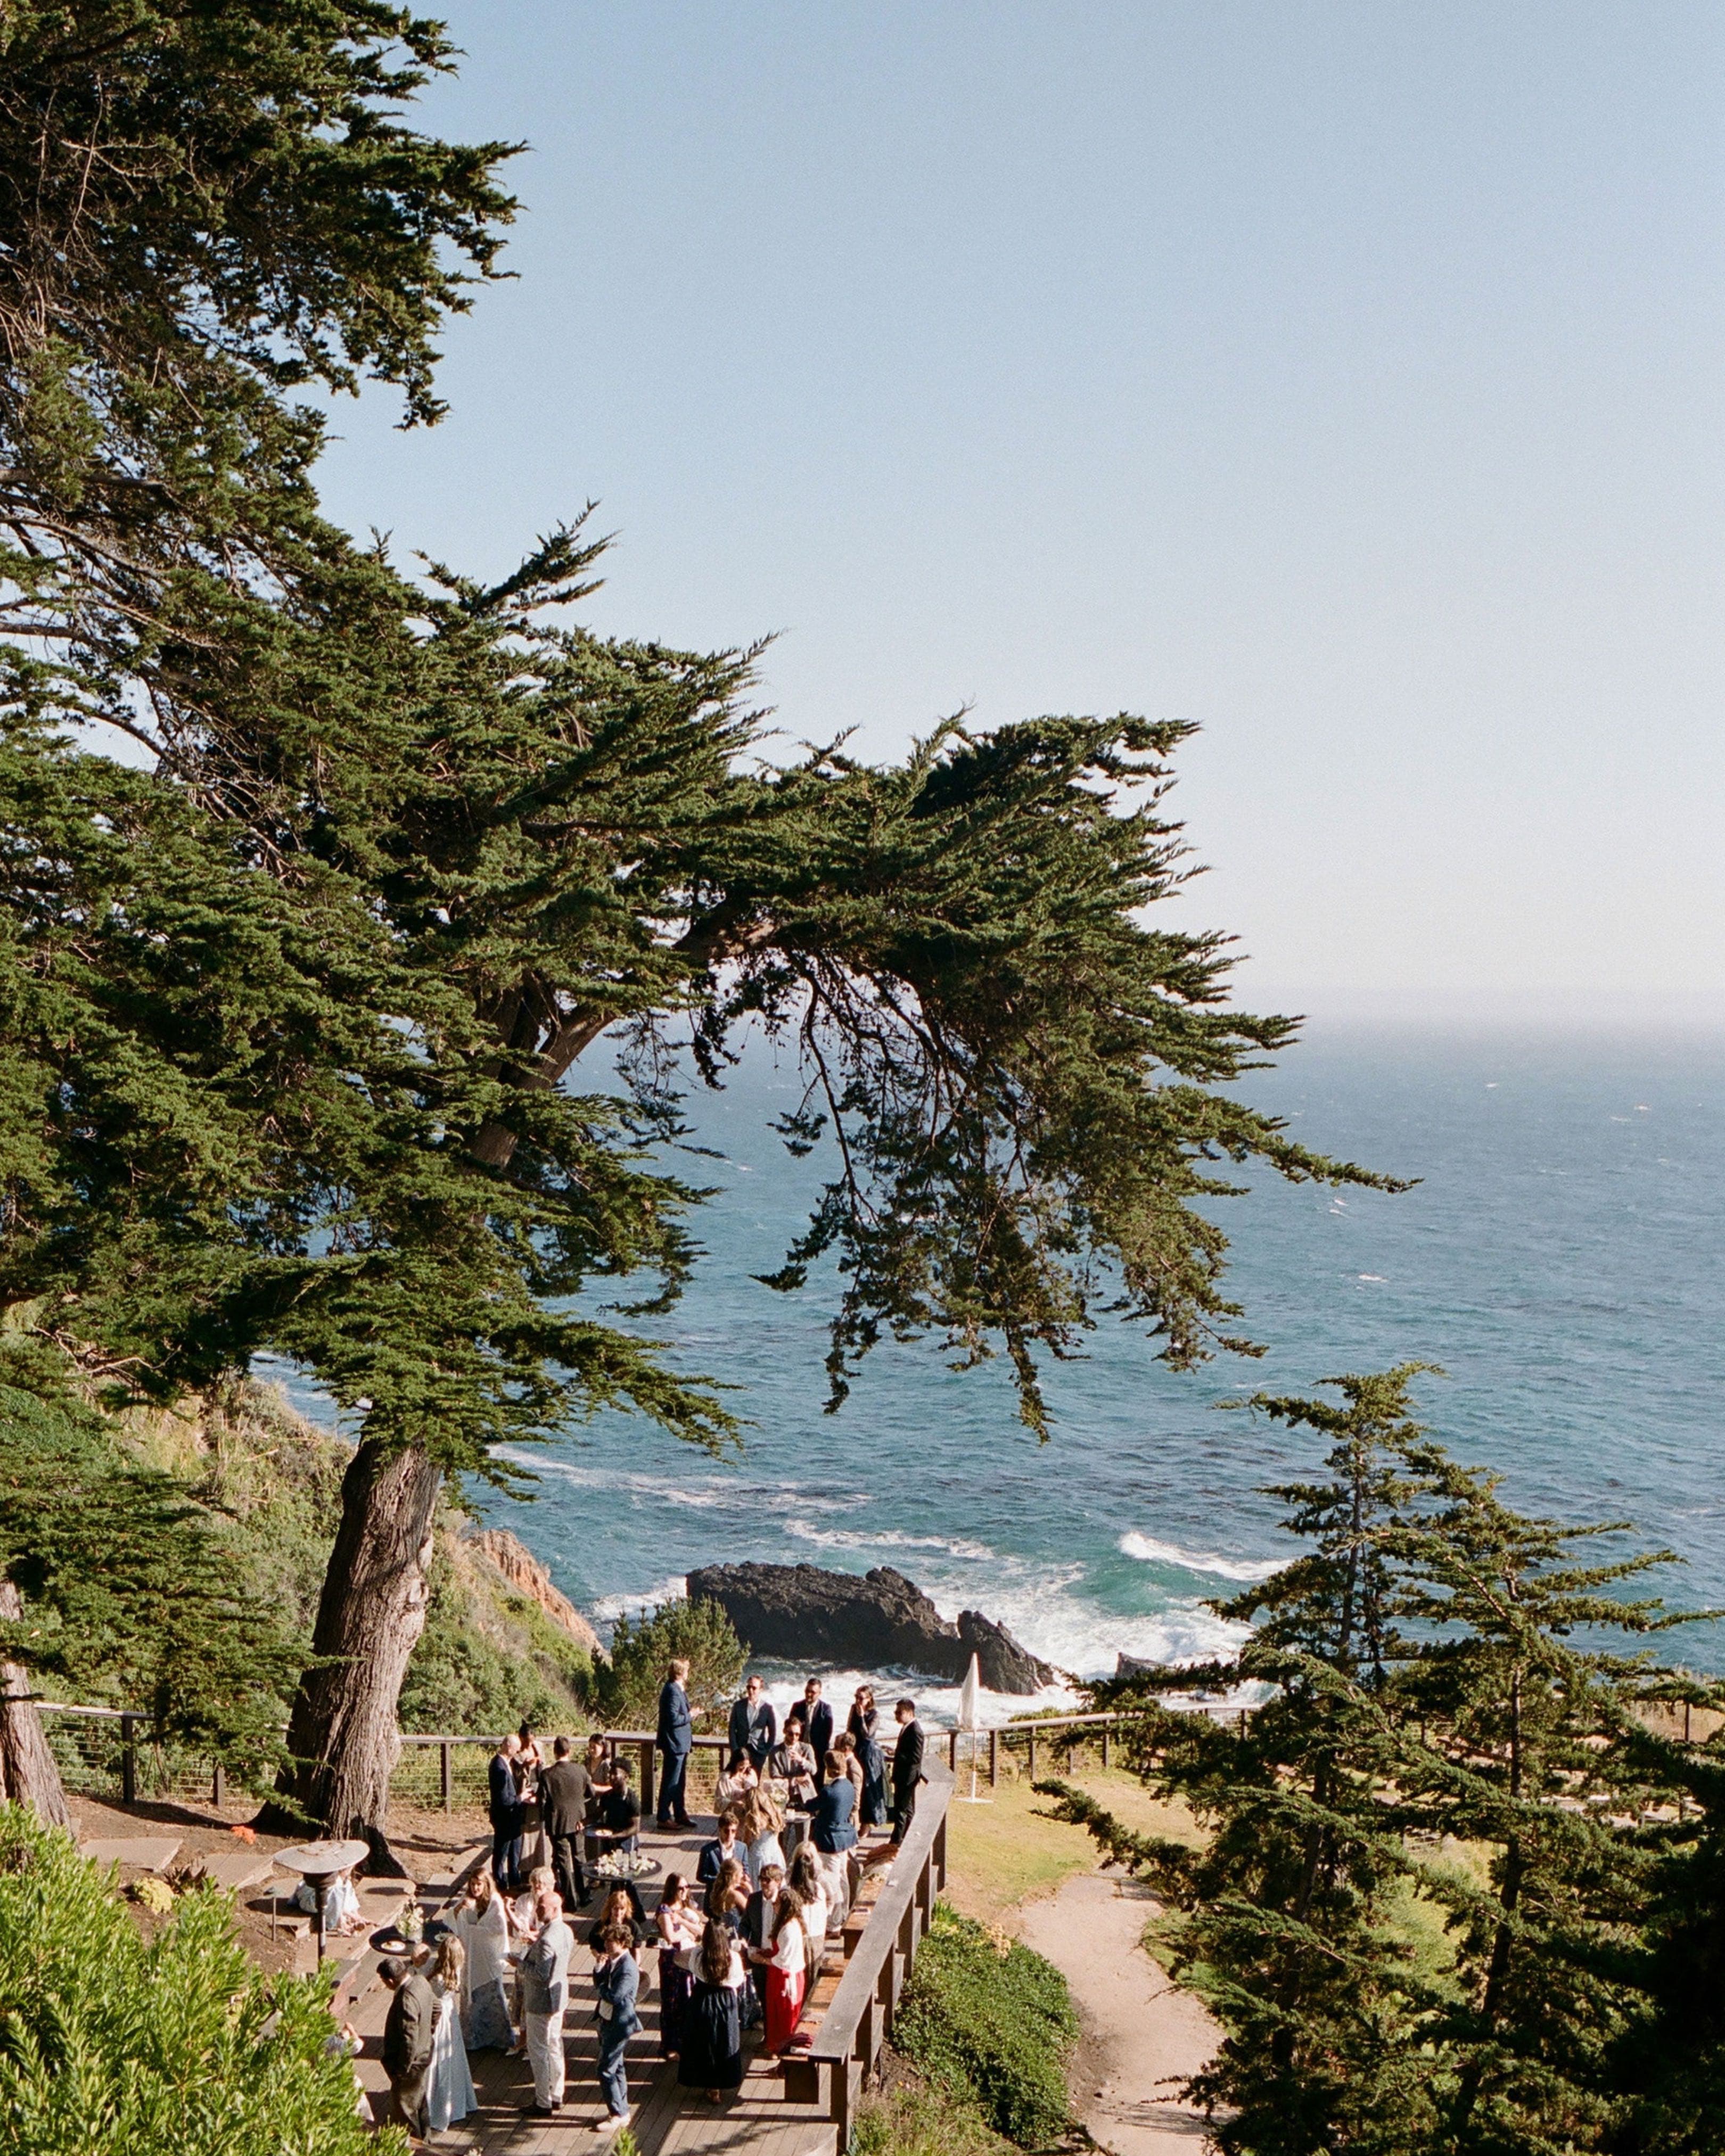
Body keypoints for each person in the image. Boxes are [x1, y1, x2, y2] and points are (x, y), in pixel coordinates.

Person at [513, 1884, 573, 2118]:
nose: (537, 1910)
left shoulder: (548, 1940)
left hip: (542, 2001)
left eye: (542, 1906)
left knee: (539, 2051)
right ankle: (557, 2094)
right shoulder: (565, 1931)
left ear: (556, 1908)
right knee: (555, 2046)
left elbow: (540, 1974)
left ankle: (543, 2101)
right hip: (559, 1998)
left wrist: (519, 1963)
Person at [678, 1916, 746, 2103]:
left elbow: (693, 1969)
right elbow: (739, 1980)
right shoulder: (732, 1957)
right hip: (725, 2000)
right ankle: (718, 2085)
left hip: (702, 1997)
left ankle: (707, 2082)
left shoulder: (699, 1954)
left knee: (703, 2042)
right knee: (724, 2042)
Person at [450, 1868, 513, 2051]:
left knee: (491, 1996)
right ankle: (473, 2039)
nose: (475, 1888)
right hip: (470, 1954)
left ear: (486, 1884)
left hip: (487, 1956)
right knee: (471, 1998)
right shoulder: (466, 1900)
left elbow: (498, 1928)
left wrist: (472, 1930)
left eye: (479, 1884)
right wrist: (458, 1910)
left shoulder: (495, 1902)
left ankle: (498, 2039)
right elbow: (455, 1923)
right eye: (473, 1884)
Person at [379, 1954, 437, 2139]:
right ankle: (426, 2142)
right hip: (424, 2056)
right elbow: (437, 2008)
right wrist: (428, 2032)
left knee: (405, 2113)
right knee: (420, 2105)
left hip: (410, 2066)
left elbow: (409, 2038)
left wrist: (401, 2069)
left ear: (390, 1980)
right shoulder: (421, 1982)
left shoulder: (406, 1999)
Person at [425, 1932, 478, 2132]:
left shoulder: (436, 1975)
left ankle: (436, 2105)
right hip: (450, 2016)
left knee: (437, 2060)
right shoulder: (456, 1970)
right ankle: (457, 2101)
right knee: (452, 2058)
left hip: (438, 2017)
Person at [593, 1921, 643, 2132]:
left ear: (623, 1943)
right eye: (605, 1940)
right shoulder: (613, 1961)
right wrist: (599, 1969)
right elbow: (601, 1980)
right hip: (607, 2020)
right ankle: (622, 2108)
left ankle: (617, 2113)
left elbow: (615, 1996)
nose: (606, 1944)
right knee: (617, 2066)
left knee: (605, 2069)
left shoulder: (628, 1968)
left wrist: (602, 1987)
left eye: (610, 1941)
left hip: (619, 2023)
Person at [539, 1734, 593, 1912]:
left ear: (555, 1752)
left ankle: (570, 1900)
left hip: (557, 1822)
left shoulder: (547, 1774)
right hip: (578, 1819)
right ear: (569, 1751)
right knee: (580, 1857)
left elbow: (542, 1799)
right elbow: (591, 1792)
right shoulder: (581, 1770)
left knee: (563, 1861)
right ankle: (584, 1894)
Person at [655, 1872, 701, 2056]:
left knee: (687, 1999)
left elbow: (701, 1931)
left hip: (689, 1957)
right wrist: (687, 1933)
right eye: (680, 1888)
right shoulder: (664, 1910)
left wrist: (684, 1923)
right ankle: (669, 2044)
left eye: (686, 1887)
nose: (684, 1891)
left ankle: (685, 2040)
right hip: (671, 1960)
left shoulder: (688, 1907)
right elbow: (670, 1936)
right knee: (671, 2002)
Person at [810, 1752, 858, 1927]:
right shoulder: (849, 1786)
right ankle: (845, 1913)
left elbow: (812, 1805)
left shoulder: (829, 1791)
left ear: (831, 1769)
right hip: (844, 1838)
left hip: (830, 1841)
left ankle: (834, 1923)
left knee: (832, 1882)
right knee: (843, 1877)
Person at [764, 1886, 809, 2058]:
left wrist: (763, 1960)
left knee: (786, 2017)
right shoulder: (787, 1923)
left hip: (786, 1977)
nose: (774, 1906)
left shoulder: (789, 1929)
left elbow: (783, 1958)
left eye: (777, 1904)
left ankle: (785, 2058)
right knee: (776, 2014)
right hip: (779, 1974)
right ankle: (777, 2049)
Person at [741, 1861, 783, 2026]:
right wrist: (743, 1939)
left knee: (778, 1997)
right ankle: (768, 2029)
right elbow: (745, 1924)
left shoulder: (784, 1900)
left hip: (778, 1956)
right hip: (759, 1955)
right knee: (763, 1995)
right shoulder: (754, 1899)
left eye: (768, 1880)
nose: (764, 1883)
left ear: (778, 1881)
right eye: (762, 1879)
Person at [656, 1656, 695, 1829]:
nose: (688, 1673)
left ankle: (680, 1813)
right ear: (681, 1673)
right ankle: (664, 1817)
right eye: (687, 1670)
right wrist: (691, 1715)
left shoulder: (676, 1688)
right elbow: (673, 1718)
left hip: (680, 1744)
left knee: (679, 1782)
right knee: (671, 1782)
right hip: (675, 1744)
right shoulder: (672, 1690)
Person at [488, 1731, 524, 1891]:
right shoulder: (498, 1766)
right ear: (509, 1746)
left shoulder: (506, 1763)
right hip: (504, 1817)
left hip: (512, 1817)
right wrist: (521, 1798)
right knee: (501, 1853)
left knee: (514, 1853)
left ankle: (514, 1882)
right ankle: (500, 1883)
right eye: (516, 1749)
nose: (517, 1752)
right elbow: (504, 1799)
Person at [850, 1685, 889, 1828]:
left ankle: (867, 1825)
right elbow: (850, 1729)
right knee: (854, 1785)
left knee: (868, 1788)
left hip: (868, 1754)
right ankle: (855, 1821)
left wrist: (861, 1718)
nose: (858, 1701)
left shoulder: (875, 1715)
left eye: (861, 1698)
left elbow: (867, 1734)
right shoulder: (853, 1709)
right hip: (855, 1750)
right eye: (856, 1697)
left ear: (869, 1699)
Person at [891, 1698, 926, 1845]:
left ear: (910, 1713)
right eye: (896, 1712)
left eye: (900, 1712)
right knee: (908, 1809)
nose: (896, 1715)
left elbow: (916, 1757)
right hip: (903, 1776)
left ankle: (896, 1842)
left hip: (908, 1777)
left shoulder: (916, 1731)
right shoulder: (908, 1727)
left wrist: (897, 1755)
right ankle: (908, 1838)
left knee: (901, 1810)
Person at [727, 1673, 777, 1771]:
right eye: (749, 1687)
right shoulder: (738, 1706)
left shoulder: (767, 1709)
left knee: (753, 1783)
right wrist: (735, 1750)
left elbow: (773, 1733)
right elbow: (732, 1729)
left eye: (754, 1688)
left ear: (760, 1690)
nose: (751, 1691)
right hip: (740, 1751)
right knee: (735, 1780)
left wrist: (766, 1752)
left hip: (758, 1753)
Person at [769, 1713, 818, 1810]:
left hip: (804, 1795)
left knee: (804, 1824)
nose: (794, 1738)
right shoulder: (775, 1752)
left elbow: (814, 1770)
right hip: (783, 1795)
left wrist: (802, 1761)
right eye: (791, 1734)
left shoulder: (807, 1749)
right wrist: (794, 1780)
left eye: (797, 1734)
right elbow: (774, 1775)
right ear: (784, 1731)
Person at [737, 1788, 785, 1888]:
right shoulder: (775, 1813)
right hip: (775, 1852)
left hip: (758, 1856)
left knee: (759, 1886)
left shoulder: (753, 1818)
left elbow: (747, 1842)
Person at [517, 1719, 548, 1871]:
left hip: (538, 1792)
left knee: (538, 1832)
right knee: (525, 1833)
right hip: (525, 1794)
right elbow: (516, 1775)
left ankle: (539, 1864)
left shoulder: (539, 1747)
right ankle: (525, 1867)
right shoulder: (518, 1754)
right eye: (526, 1742)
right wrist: (525, 1767)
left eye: (531, 1741)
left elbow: (545, 1769)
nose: (529, 1745)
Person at [587, 1885, 646, 1958]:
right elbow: (593, 1947)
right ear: (610, 1908)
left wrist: (636, 1967)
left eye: (622, 1909)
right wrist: (599, 1956)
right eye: (616, 1908)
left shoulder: (632, 1925)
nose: (618, 1912)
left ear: (627, 1909)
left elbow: (636, 1951)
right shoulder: (601, 1925)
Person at [597, 1759, 642, 1856]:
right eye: (610, 1774)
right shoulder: (607, 1796)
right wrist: (583, 1823)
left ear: (626, 1777)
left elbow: (635, 1828)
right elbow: (596, 1815)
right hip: (609, 1843)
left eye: (615, 1774)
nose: (611, 1777)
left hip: (627, 1844)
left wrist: (616, 1836)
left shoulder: (632, 1800)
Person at [800, 1677, 834, 1783]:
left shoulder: (826, 1709)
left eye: (813, 1692)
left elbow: (827, 1734)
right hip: (800, 1752)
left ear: (819, 1693)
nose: (809, 1694)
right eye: (807, 1691)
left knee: (817, 1784)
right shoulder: (798, 1707)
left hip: (818, 1753)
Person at [696, 1813, 743, 1887]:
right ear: (720, 1830)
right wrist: (723, 1880)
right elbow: (701, 1876)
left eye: (733, 1831)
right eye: (726, 1831)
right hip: (715, 1894)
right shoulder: (708, 1851)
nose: (730, 1834)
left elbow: (746, 1870)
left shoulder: (742, 1848)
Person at [713, 1748, 759, 1813]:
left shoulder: (751, 1774)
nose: (744, 1768)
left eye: (747, 1765)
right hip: (732, 1815)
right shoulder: (726, 1778)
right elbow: (719, 1800)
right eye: (741, 1765)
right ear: (735, 1763)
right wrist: (733, 1803)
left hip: (750, 1814)